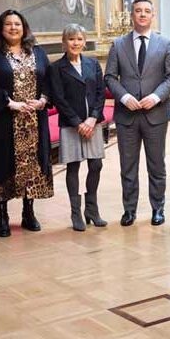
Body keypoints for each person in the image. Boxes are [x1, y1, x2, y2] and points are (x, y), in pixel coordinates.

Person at [0, 10, 53, 237]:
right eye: (8, 24)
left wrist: (42, 100)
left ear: (24, 27)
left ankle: (28, 212)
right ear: (1, 28)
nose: (13, 28)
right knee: (1, 166)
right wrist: (10, 103)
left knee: (32, 167)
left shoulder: (37, 52)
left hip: (33, 122)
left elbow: (49, 79)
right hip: (2, 121)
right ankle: (2, 215)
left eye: (17, 24)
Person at [105, 0, 170, 227]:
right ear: (132, 15)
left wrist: (156, 96)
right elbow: (109, 77)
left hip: (155, 114)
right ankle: (129, 210)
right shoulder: (118, 44)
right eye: (138, 11)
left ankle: (158, 208)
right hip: (127, 116)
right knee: (128, 166)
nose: (143, 14)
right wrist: (124, 97)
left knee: (157, 165)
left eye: (147, 11)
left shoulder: (165, 43)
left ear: (152, 15)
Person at [49, 24, 107, 232]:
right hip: (71, 124)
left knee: (96, 165)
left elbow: (101, 93)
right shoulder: (56, 68)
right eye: (71, 39)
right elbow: (59, 98)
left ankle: (92, 209)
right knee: (73, 168)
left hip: (92, 123)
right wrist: (77, 122)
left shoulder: (93, 64)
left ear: (84, 41)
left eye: (79, 39)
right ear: (64, 43)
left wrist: (92, 119)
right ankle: (76, 213)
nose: (76, 43)